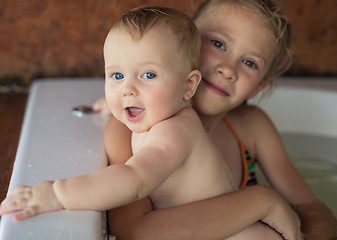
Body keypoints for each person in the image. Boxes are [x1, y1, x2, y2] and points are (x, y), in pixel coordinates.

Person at [0, 6, 302, 240]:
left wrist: (57, 193)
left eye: (148, 75)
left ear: (188, 84)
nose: (227, 68)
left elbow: (134, 180)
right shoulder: (157, 119)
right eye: (117, 76)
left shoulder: (176, 129)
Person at [94, 1, 337, 240]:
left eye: (249, 63)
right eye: (217, 43)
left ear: (257, 87)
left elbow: (317, 215)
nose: (228, 69)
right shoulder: (128, 131)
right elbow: (133, 232)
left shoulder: (251, 127)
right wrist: (262, 202)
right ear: (183, 39)